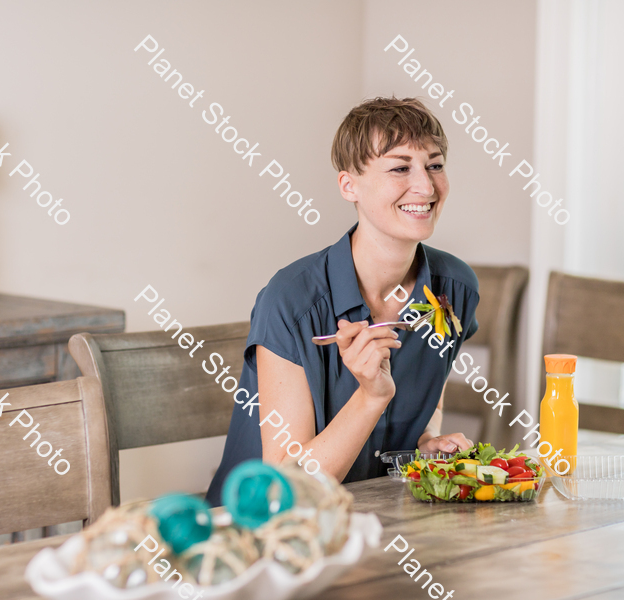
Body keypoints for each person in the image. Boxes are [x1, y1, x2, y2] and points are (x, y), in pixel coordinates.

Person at [206, 97, 480, 505]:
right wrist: (371, 397)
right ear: (349, 184)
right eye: (400, 167)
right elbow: (286, 489)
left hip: (378, 523)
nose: (425, 186)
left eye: (435, 165)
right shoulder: (291, 301)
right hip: (260, 537)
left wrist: (424, 440)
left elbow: (428, 388)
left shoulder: (452, 289)